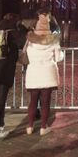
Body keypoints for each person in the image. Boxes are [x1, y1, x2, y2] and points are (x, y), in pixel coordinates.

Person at [0, 13, 27, 140]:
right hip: (4, 68)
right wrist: (23, 29)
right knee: (0, 100)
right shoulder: (12, 32)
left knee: (0, 97)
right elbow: (23, 43)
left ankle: (0, 124)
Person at [24, 8, 64, 136]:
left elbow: (26, 55)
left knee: (33, 102)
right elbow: (58, 58)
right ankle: (43, 127)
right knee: (45, 102)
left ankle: (30, 126)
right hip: (47, 73)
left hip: (33, 73)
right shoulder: (53, 41)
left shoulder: (30, 41)